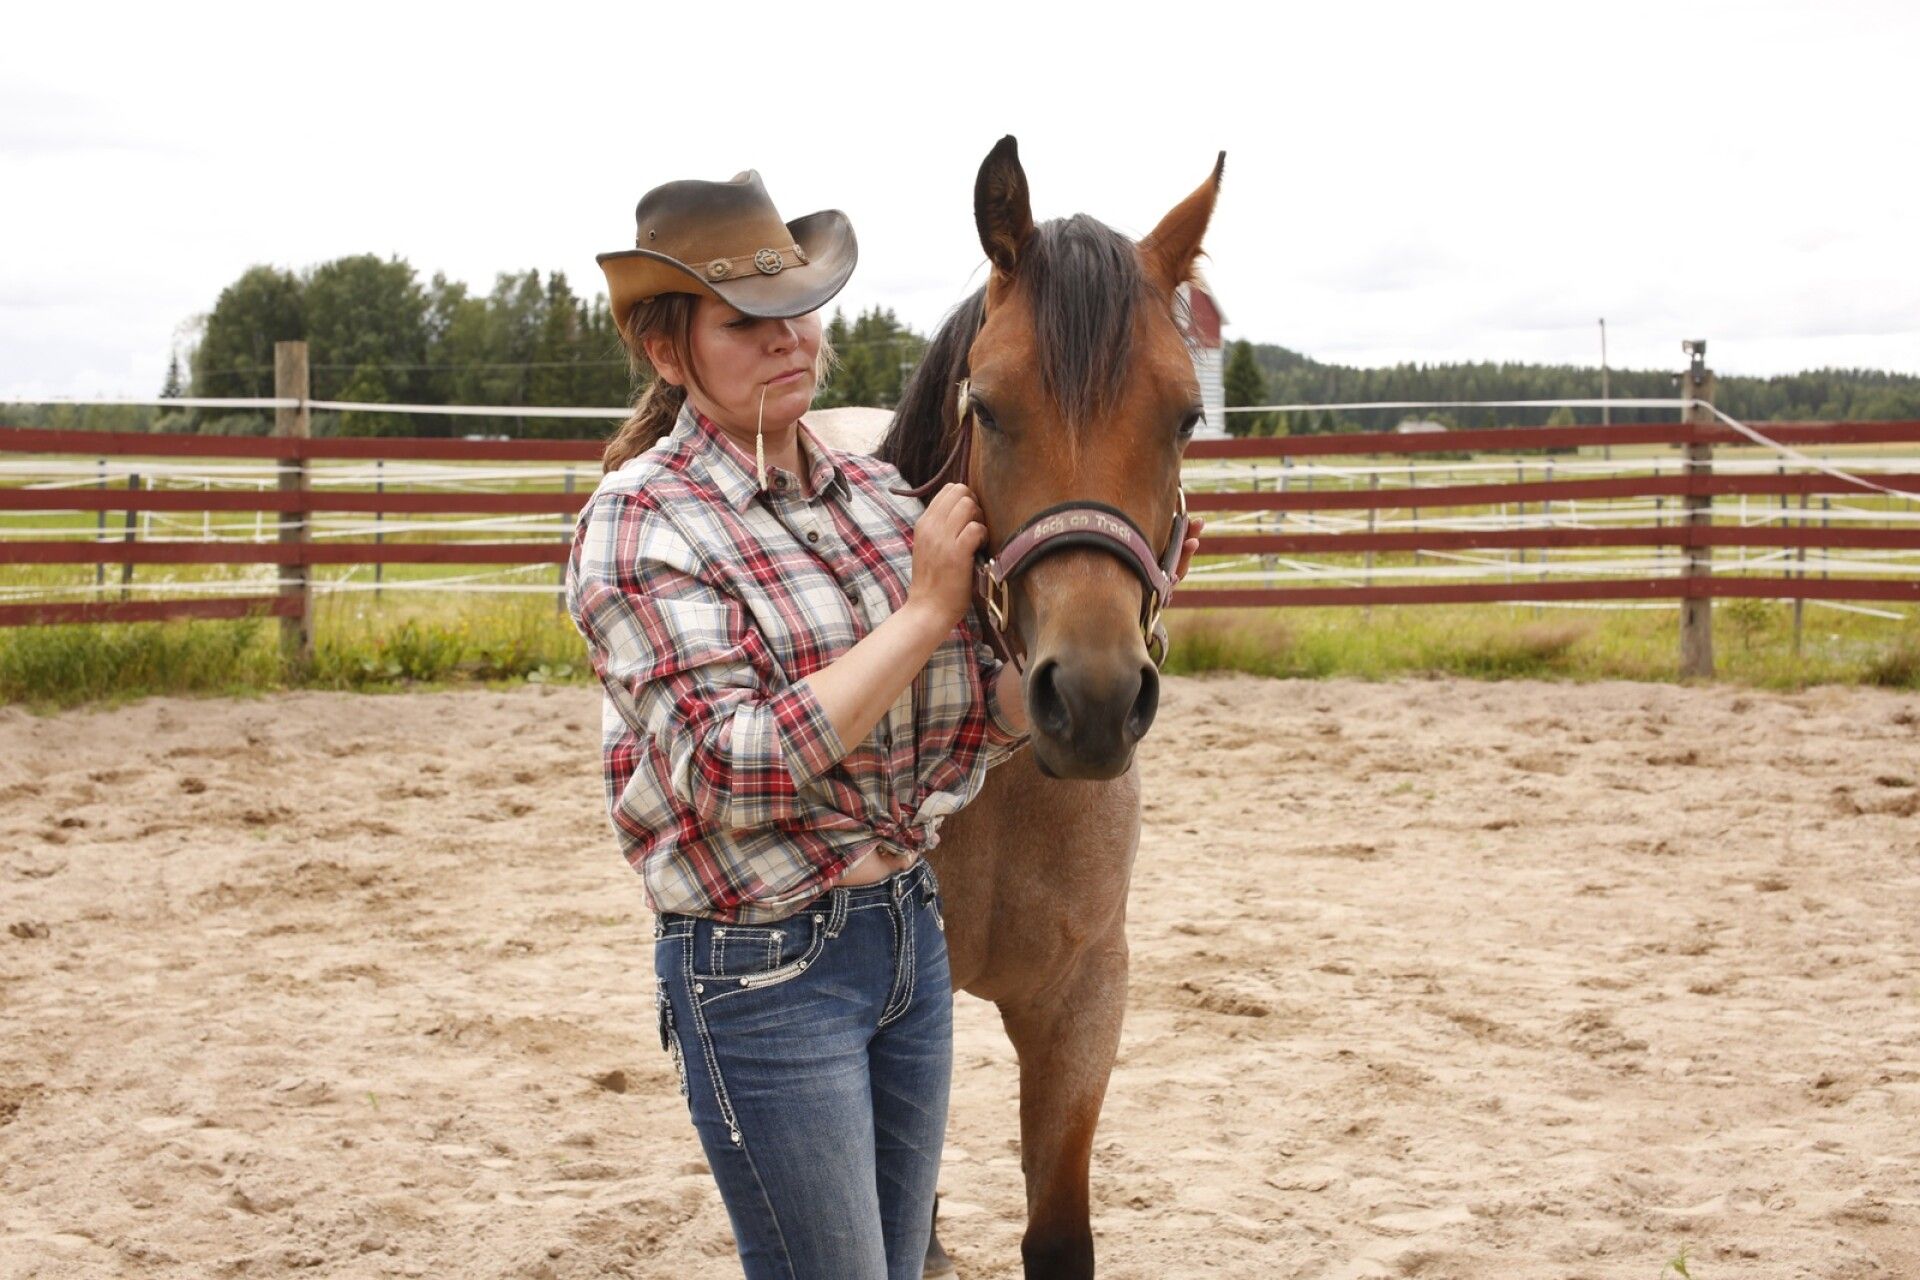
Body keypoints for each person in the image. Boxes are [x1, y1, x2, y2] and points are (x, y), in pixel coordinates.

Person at [563, 169, 1032, 1280]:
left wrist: (1084, 662)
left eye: (799, 309)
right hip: (762, 967)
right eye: (746, 323)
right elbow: (734, 766)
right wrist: (924, 610)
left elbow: (963, 721)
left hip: (909, 942)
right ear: (669, 351)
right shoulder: (639, 520)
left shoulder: (877, 499)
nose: (790, 341)